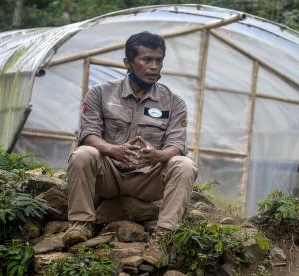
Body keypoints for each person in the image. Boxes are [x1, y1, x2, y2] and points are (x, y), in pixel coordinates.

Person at [62, 31, 198, 265]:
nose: (154, 66)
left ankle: (163, 238)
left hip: (148, 181)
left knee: (184, 164)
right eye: (147, 59)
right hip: (109, 176)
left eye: (159, 60)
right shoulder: (100, 93)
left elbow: (176, 145)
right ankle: (81, 224)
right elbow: (88, 134)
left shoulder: (174, 102)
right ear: (127, 63)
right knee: (84, 154)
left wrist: (158, 155)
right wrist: (113, 150)